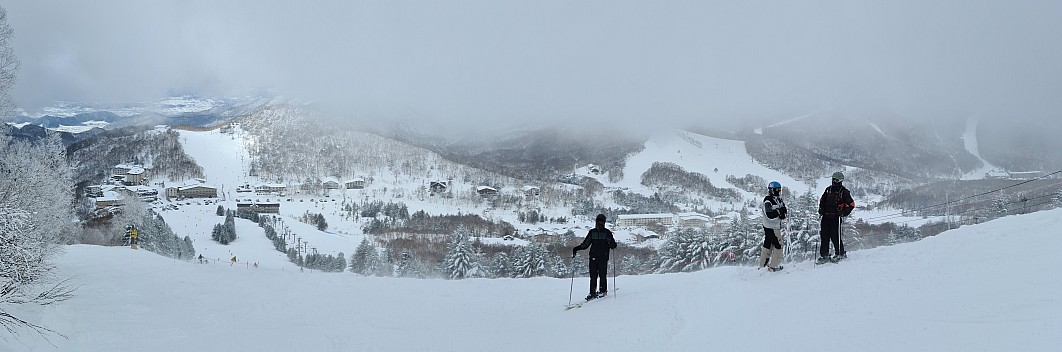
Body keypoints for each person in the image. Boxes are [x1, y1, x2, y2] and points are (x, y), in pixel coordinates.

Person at [572, 214, 617, 301]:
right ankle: (592, 293)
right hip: (593, 257)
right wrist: (577, 248)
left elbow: (613, 245)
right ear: (596, 222)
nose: (600, 223)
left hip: (603, 258)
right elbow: (585, 244)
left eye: (601, 222)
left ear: (604, 223)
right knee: (593, 276)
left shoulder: (607, 233)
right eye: (598, 221)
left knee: (602, 275)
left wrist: (612, 244)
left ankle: (603, 291)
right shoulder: (592, 232)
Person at [817, 171, 856, 264]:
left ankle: (840, 253)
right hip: (826, 216)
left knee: (835, 236)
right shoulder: (828, 190)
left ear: (841, 181)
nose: (834, 181)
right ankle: (824, 255)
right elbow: (822, 201)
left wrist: (843, 213)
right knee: (824, 236)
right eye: (833, 179)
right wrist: (821, 209)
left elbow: (851, 204)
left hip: (836, 217)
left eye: (837, 180)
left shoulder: (844, 191)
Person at [760, 181, 787, 272]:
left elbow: (783, 212)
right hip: (771, 227)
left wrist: (782, 213)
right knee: (778, 245)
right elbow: (769, 215)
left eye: (779, 190)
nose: (778, 191)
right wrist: (779, 212)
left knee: (768, 244)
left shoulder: (778, 199)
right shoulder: (768, 201)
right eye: (776, 190)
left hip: (775, 226)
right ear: (771, 190)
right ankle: (774, 266)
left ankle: (762, 265)